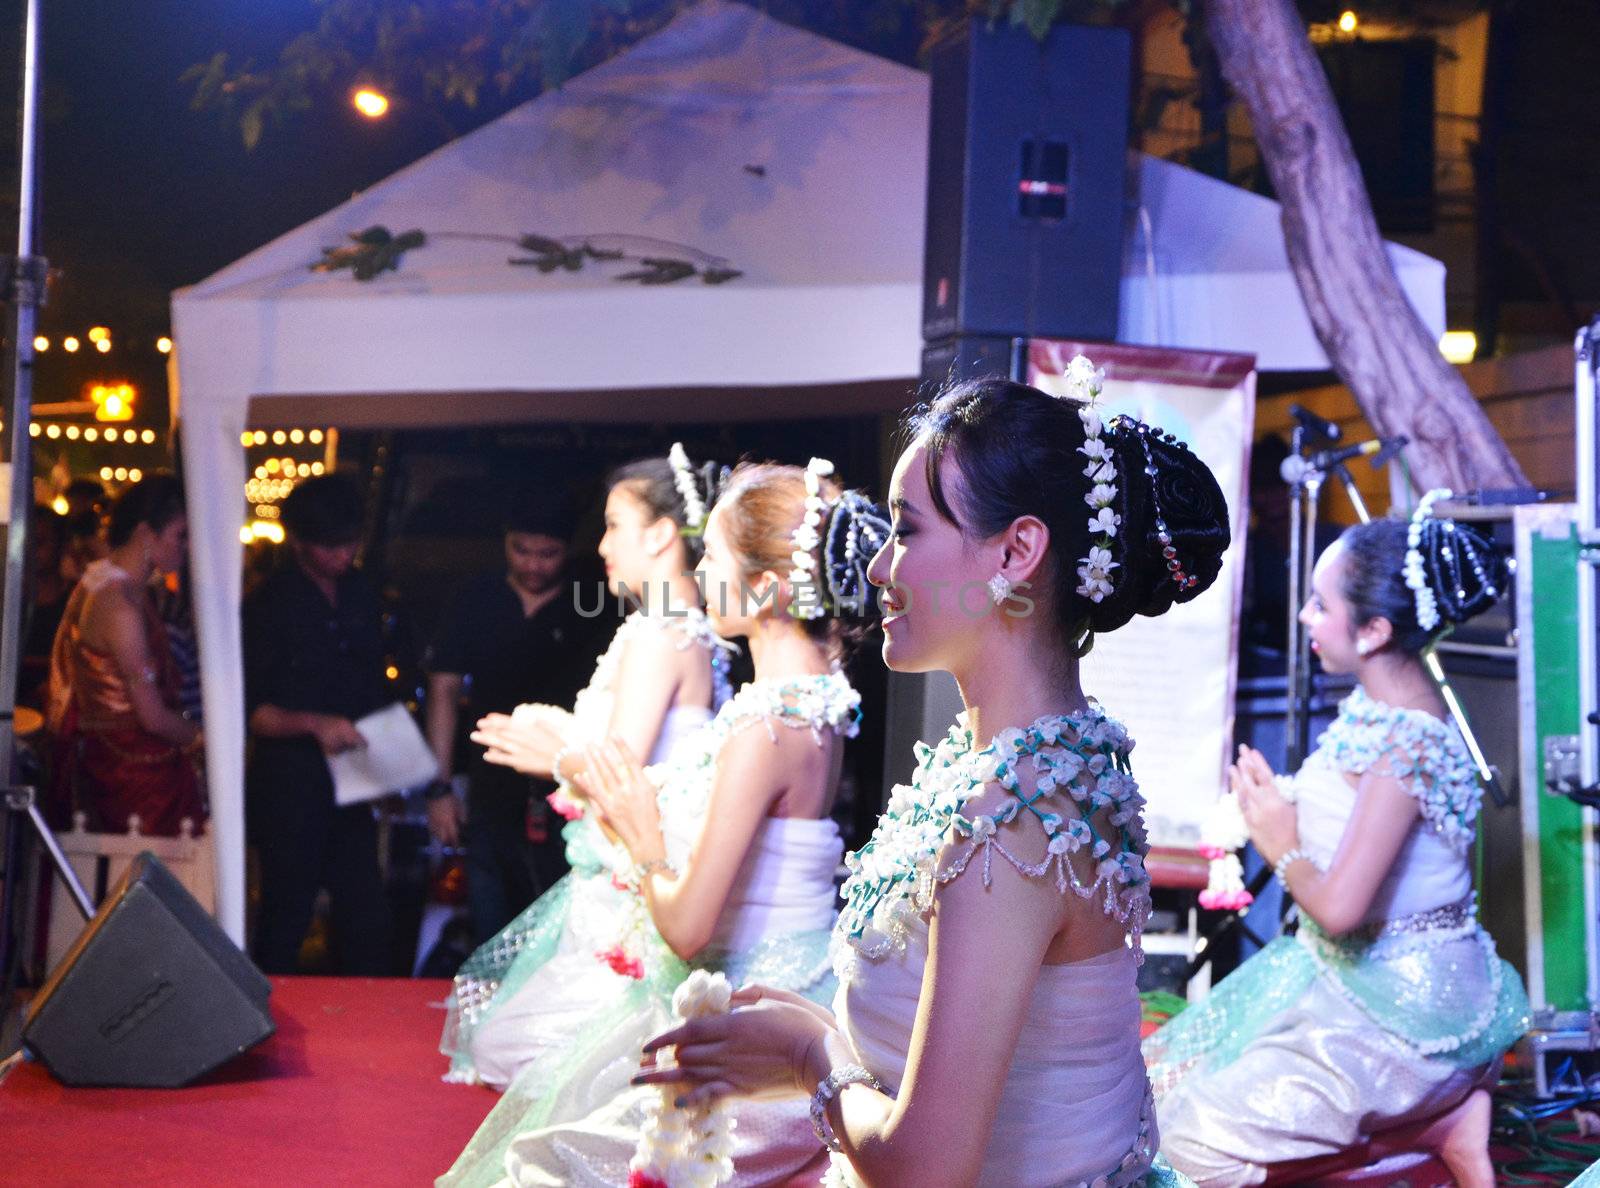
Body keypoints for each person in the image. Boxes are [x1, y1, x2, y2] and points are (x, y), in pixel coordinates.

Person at [638, 366, 1229, 1187]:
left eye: (906, 532)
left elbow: (924, 1171)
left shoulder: (1010, 813)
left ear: (1016, 552)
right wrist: (819, 1026)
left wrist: (811, 1056)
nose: (880, 568)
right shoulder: (1054, 762)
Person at [440, 457, 883, 1188]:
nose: (698, 570)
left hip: (747, 1003)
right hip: (797, 984)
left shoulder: (766, 723)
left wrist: (641, 832)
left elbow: (687, 927)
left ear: (767, 587)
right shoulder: (823, 694)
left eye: (712, 555)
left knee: (542, 1166)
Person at [1143, 491, 1529, 1187]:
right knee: (1152, 1094)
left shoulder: (1407, 742)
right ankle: (1435, 1128)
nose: (1304, 617)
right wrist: (1278, 801)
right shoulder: (1380, 712)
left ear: (1376, 630)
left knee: (1187, 1144)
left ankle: (1424, 1133)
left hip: (1408, 1014)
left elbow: (1342, 909)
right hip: (1350, 979)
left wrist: (1276, 835)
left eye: (1321, 605)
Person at [441, 448, 733, 1086]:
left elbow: (618, 772)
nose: (600, 544)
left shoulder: (662, 631)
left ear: (659, 535)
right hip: (623, 866)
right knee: (511, 1045)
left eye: (613, 525)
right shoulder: (678, 627)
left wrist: (557, 756)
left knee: (510, 1049)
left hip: (635, 871)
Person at [423, 494, 611, 944]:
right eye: (520, 550)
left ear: (567, 551)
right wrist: (439, 786)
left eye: (548, 554)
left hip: (571, 790)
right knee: (493, 928)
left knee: (567, 931)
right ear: (504, 544)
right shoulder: (478, 598)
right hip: (489, 791)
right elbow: (443, 690)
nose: (533, 565)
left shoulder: (590, 600)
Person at [243, 473, 392, 975]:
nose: (344, 555)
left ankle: (364, 1023)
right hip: (290, 783)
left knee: (365, 915)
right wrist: (314, 724)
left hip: (353, 777)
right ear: (299, 543)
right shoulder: (268, 604)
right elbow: (253, 712)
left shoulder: (362, 593)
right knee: (286, 911)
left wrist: (390, 767)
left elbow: (375, 684)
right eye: (331, 546)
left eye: (351, 542)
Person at [45, 473, 204, 837]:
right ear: (147, 534)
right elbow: (150, 716)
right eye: (181, 535)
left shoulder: (104, 583)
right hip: (136, 776)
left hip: (118, 761)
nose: (187, 547)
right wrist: (202, 738)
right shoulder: (119, 604)